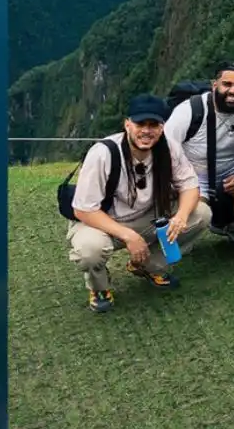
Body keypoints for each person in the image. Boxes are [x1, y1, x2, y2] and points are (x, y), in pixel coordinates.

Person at [66, 94, 213, 312]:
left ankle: (147, 266)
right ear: (127, 124)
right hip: (103, 221)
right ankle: (99, 287)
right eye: (140, 124)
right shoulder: (103, 153)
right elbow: (83, 209)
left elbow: (190, 186)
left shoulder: (168, 148)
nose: (146, 131)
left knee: (201, 213)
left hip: (147, 215)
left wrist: (181, 216)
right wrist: (129, 236)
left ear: (162, 127)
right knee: (90, 250)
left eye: (153, 124)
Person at [163, 61, 234, 243]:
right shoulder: (190, 110)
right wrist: (181, 186)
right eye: (227, 84)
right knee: (198, 214)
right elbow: (165, 149)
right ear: (214, 85)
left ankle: (229, 223)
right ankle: (183, 238)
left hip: (233, 170)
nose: (232, 91)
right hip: (194, 174)